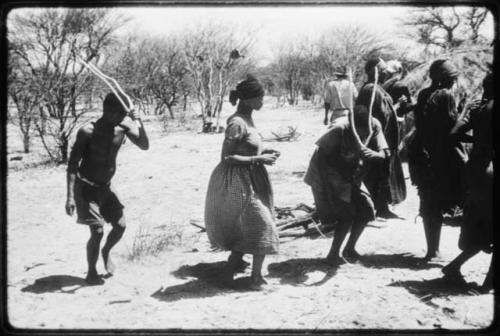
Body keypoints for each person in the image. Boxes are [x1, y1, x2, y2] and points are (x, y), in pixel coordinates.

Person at [204, 75, 280, 290]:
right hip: (237, 182)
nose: (262, 102)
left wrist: (264, 153)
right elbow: (227, 158)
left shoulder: (248, 119)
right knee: (263, 223)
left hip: (252, 178)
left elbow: (245, 148)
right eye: (260, 97)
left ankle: (232, 267)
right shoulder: (237, 123)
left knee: (250, 224)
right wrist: (258, 159)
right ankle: (256, 278)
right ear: (247, 100)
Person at [65, 92, 149, 285]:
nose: (123, 118)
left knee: (120, 226)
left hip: (105, 187)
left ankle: (105, 251)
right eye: (120, 114)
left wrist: (140, 123)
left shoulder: (124, 126)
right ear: (108, 112)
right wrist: (69, 197)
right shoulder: (87, 131)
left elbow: (144, 145)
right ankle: (91, 272)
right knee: (97, 231)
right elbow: (72, 164)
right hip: (86, 187)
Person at [304, 104, 390, 266]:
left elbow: (384, 154)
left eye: (366, 130)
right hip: (329, 172)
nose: (364, 134)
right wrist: (328, 189)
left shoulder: (375, 125)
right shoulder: (339, 128)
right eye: (360, 131)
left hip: (352, 173)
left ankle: (349, 249)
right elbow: (322, 157)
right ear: (353, 125)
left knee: (366, 209)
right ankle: (333, 254)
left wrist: (375, 154)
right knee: (346, 213)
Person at [407, 59, 467, 260]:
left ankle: (433, 249)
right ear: (447, 80)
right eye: (453, 79)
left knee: (429, 203)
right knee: (461, 192)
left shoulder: (424, 94)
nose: (454, 82)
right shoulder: (446, 96)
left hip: (422, 154)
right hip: (441, 156)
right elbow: (451, 129)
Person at [442, 73, 493, 291]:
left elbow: (453, 135)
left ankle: (454, 267)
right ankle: (487, 285)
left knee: (483, 226)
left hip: (478, 170)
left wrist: (478, 140)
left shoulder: (476, 108)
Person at [356, 57, 406, 219]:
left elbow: (385, 112)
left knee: (382, 173)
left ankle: (381, 207)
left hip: (383, 137)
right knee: (378, 173)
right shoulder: (371, 89)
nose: (387, 73)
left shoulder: (376, 88)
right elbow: (379, 116)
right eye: (383, 70)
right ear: (375, 72)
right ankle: (379, 208)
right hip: (378, 139)